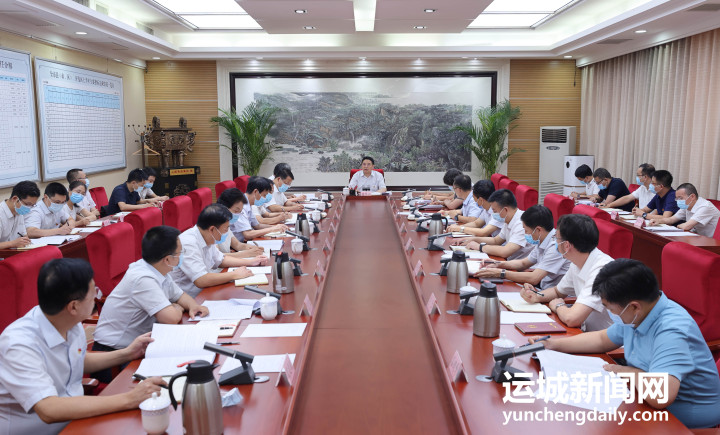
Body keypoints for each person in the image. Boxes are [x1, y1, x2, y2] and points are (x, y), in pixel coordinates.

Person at [529, 259, 720, 429]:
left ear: (634, 306)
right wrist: (553, 345)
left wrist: (624, 372)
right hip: (642, 397)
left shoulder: (672, 330)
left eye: (609, 308)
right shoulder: (639, 314)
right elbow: (602, 339)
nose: (609, 312)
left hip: (683, 418)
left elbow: (661, 395)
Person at [0, 258, 164, 434]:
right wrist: (130, 399)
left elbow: (77, 359)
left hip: (79, 420)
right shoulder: (18, 344)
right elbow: (49, 409)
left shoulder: (68, 320)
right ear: (73, 306)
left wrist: (127, 353)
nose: (97, 297)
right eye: (94, 292)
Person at [92, 226, 209, 382]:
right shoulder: (142, 278)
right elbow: (170, 318)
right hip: (113, 357)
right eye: (180, 253)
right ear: (167, 259)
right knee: (178, 375)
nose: (182, 256)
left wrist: (192, 306)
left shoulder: (157, 268)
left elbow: (180, 296)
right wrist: (176, 307)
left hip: (139, 345)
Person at [519, 214, 613, 331]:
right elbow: (557, 292)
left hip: (607, 344)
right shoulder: (577, 260)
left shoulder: (602, 270)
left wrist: (559, 306)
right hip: (584, 333)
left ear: (566, 245)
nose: (554, 242)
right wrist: (536, 296)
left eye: (556, 239)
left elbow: (571, 318)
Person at [168, 204, 266, 298]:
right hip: (190, 299)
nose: (227, 232)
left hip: (206, 291)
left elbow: (221, 259)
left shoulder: (208, 237)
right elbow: (201, 279)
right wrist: (235, 274)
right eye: (225, 229)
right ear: (212, 229)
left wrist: (251, 262)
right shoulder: (188, 243)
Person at [475, 205, 570, 289]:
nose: (525, 234)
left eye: (526, 231)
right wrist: (499, 264)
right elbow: (523, 263)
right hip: (542, 289)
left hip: (553, 296)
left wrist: (501, 273)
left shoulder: (555, 247)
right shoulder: (542, 240)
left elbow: (534, 278)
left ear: (538, 230)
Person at [455, 189, 532, 260]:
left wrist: (479, 247)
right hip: (510, 262)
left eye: (494, 211)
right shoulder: (509, 218)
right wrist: (473, 239)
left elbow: (505, 251)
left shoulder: (521, 223)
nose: (493, 214)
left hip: (524, 270)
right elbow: (496, 240)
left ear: (505, 210)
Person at [216, 188, 271, 258]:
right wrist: (248, 254)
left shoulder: (226, 223)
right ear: (224, 207)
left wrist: (253, 248)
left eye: (240, 212)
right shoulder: (212, 225)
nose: (237, 215)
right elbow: (216, 257)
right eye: (236, 211)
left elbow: (238, 245)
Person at [649, 183, 720, 237]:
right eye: (677, 198)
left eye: (680, 198)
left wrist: (677, 226)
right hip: (699, 238)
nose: (678, 201)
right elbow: (672, 219)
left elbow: (686, 226)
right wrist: (658, 221)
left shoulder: (705, 207)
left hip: (713, 243)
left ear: (692, 196)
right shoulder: (687, 205)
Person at [0, 181, 39, 249]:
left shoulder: (18, 211)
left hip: (15, 253)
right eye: (27, 204)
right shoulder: (1, 214)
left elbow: (24, 235)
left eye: (32, 205)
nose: (29, 208)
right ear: (15, 199)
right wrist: (12, 243)